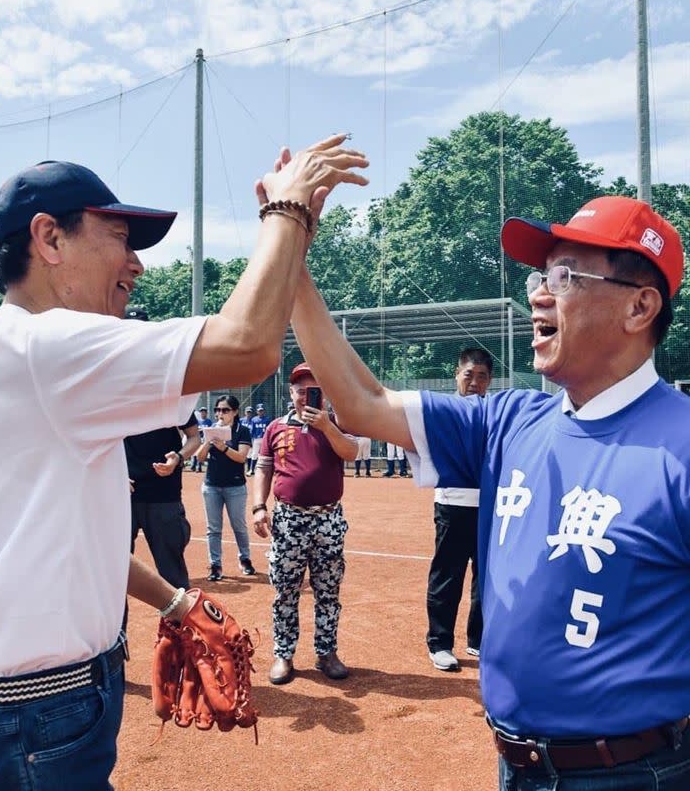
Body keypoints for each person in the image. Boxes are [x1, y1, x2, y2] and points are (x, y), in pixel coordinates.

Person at [0, 137, 369, 789]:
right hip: (17, 725)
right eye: (120, 237)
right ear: (49, 239)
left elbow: (53, 538)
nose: (137, 263)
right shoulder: (44, 345)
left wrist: (175, 600)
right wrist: (287, 211)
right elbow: (248, 346)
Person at [290, 193, 690, 789]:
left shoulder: (679, 445)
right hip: (513, 764)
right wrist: (290, 257)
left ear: (639, 307)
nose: (537, 293)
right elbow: (362, 403)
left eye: (565, 275)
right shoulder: (507, 419)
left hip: (635, 773)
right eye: (539, 274)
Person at [252, 362, 358, 685]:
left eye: (313, 391)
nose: (305, 396)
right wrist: (259, 506)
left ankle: (326, 653)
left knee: (328, 588)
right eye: (300, 390)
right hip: (288, 519)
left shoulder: (337, 423)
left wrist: (327, 426)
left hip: (327, 517)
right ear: (291, 393)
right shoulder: (275, 428)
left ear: (323, 394)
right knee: (285, 589)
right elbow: (263, 469)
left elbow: (351, 453)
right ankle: (283, 654)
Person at [123, 307, 201, 590]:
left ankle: (180, 632)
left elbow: (194, 437)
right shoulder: (112, 385)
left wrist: (178, 457)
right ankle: (116, 635)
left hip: (164, 495)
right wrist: (113, 473)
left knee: (173, 576)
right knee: (114, 575)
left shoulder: (168, 386)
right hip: (121, 494)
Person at [426, 347, 492, 671]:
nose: (475, 382)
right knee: (448, 575)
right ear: (457, 374)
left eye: (482, 377)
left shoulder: (494, 414)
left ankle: (478, 639)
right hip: (452, 505)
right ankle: (439, 643)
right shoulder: (444, 411)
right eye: (469, 375)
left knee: (486, 577)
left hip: (489, 507)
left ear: (489, 381)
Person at [197, 395, 255, 581]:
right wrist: (209, 438)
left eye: (225, 410)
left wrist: (223, 448)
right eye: (218, 410)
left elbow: (241, 457)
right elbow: (199, 457)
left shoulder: (242, 430)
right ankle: (215, 565)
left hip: (235, 486)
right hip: (212, 485)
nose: (220, 414)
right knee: (213, 528)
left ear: (235, 412)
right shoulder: (210, 430)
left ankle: (245, 559)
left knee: (238, 525)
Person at [246, 402, 269, 476]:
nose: (260, 412)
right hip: (256, 439)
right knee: (254, 454)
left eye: (262, 410)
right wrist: (251, 440)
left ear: (264, 411)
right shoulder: (254, 419)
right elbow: (252, 431)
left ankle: (264, 470)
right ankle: (252, 470)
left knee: (264, 455)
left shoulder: (267, 419)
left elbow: (269, 430)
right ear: (256, 411)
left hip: (264, 439)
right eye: (259, 410)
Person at [190, 406, 213, 472]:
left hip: (205, 439)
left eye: (204, 412)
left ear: (206, 413)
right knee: (194, 452)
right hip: (198, 438)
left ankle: (198, 467)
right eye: (202, 412)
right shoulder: (197, 421)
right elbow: (195, 429)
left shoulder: (209, 421)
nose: (203, 413)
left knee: (200, 452)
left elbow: (210, 430)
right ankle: (193, 466)